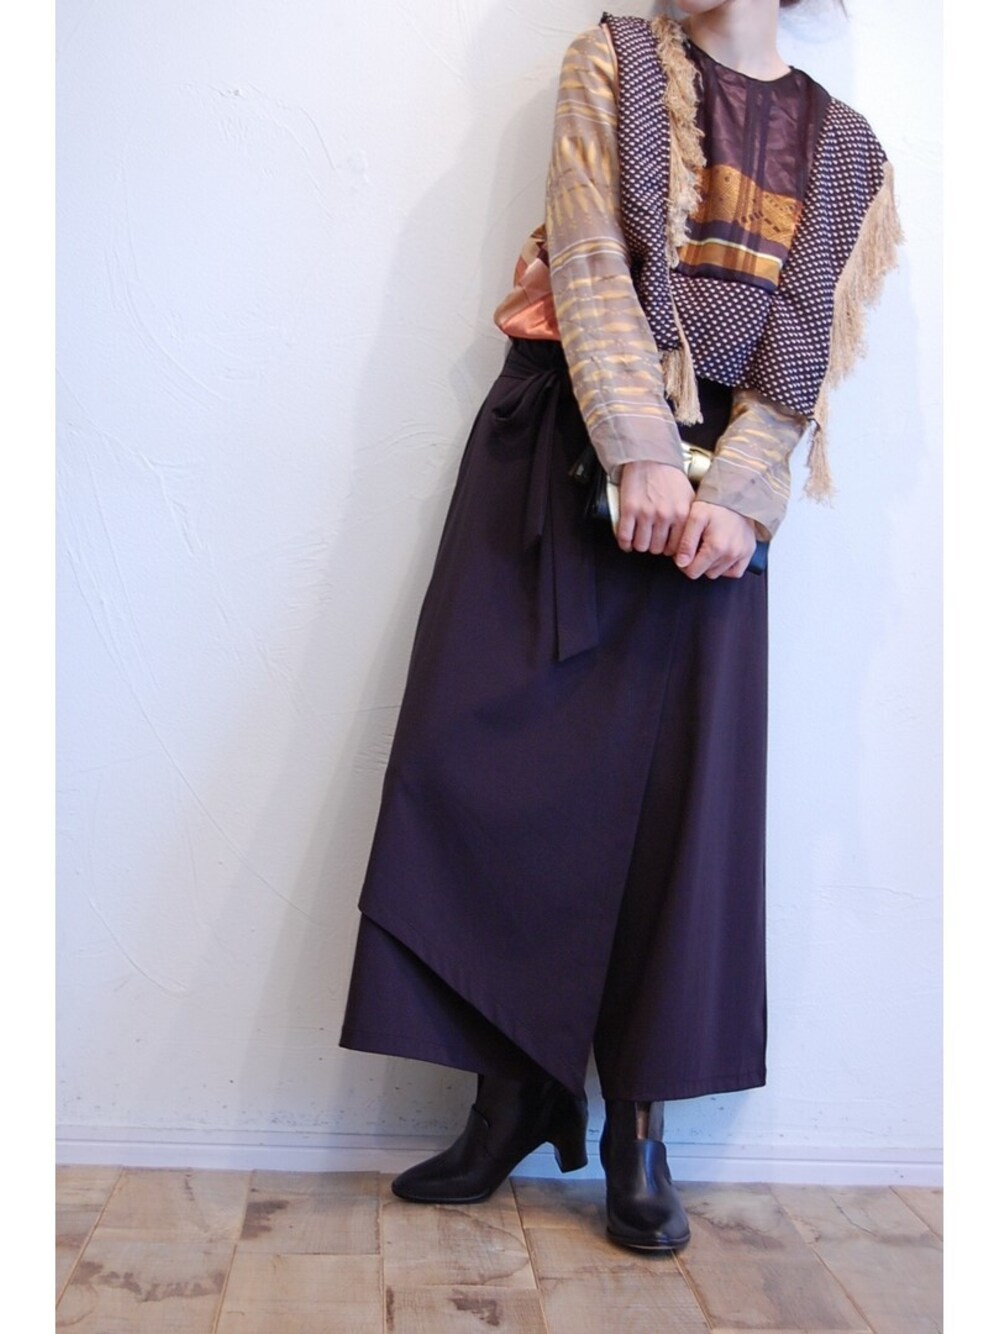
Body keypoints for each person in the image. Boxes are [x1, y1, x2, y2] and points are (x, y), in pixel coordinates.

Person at [339, 0, 902, 1253]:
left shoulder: (848, 147)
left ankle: (640, 1131)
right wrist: (639, 446)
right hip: (566, 441)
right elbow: (590, 258)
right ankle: (511, 1093)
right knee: (474, 758)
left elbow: (800, 343)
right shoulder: (614, 61)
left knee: (678, 805)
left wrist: (743, 496)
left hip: (717, 501)